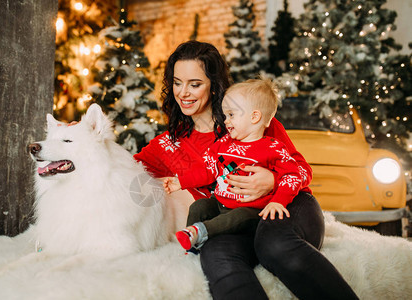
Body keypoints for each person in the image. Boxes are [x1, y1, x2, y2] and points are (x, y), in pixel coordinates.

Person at [134, 40, 358, 300]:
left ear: (214, 86)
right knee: (216, 254)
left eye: (195, 84)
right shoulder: (168, 144)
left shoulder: (251, 119)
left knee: (273, 245)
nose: (183, 92)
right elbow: (121, 166)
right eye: (176, 82)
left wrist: (272, 179)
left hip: (287, 207)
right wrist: (80, 139)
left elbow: (303, 171)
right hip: (233, 220)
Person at [163, 78, 305, 252]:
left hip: (250, 209)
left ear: (254, 117)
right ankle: (192, 246)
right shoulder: (223, 144)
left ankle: (199, 232)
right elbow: (207, 169)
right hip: (221, 202)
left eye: (231, 115)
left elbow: (292, 175)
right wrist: (181, 182)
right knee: (199, 206)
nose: (226, 121)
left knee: (240, 216)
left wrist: (278, 201)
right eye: (225, 116)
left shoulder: (273, 148)